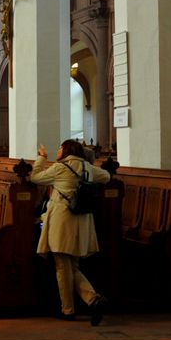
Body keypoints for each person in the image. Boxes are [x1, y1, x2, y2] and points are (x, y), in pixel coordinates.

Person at [31, 138, 111, 325]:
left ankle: (68, 310)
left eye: (60, 148)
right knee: (71, 266)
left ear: (67, 150)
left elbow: (35, 177)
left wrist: (42, 158)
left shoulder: (60, 168)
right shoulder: (87, 167)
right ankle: (92, 299)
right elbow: (106, 176)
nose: (58, 151)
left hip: (63, 220)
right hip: (82, 221)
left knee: (62, 265)